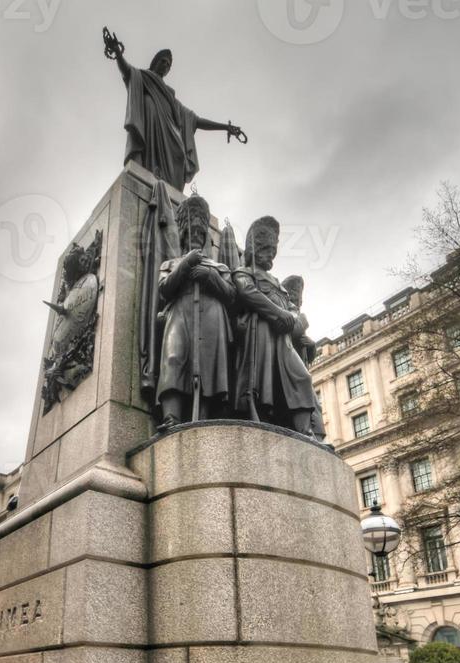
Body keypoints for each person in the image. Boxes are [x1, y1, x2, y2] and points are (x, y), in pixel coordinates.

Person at [103, 31, 245, 191]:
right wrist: (117, 53)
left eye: (169, 65)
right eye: (163, 61)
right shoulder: (143, 77)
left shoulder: (170, 95)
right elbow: (127, 71)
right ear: (155, 62)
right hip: (150, 136)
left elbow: (196, 120)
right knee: (149, 105)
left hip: (171, 141)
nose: (166, 66)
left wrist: (225, 127)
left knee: (179, 158)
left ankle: (170, 194)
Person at [156, 195, 235, 427]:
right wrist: (186, 263)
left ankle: (203, 418)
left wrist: (210, 276)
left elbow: (231, 295)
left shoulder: (218, 267)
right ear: (183, 234)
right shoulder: (170, 264)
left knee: (209, 368)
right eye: (192, 233)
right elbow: (164, 289)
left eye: (201, 234)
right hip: (180, 313)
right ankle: (171, 417)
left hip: (212, 317)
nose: (196, 238)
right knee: (173, 358)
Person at [233, 217, 316, 435]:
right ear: (256, 249)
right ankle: (260, 417)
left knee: (302, 377)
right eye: (267, 249)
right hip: (260, 335)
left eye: (273, 250)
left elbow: (296, 312)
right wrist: (278, 313)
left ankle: (305, 432)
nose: (271, 254)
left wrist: (294, 319)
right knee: (262, 383)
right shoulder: (244, 272)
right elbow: (246, 291)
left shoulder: (278, 282)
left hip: (283, 340)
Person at [282, 275, 326, 442]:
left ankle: (318, 438)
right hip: (286, 363)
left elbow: (308, 356)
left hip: (298, 363)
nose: (297, 298)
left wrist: (311, 345)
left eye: (299, 294)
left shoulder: (297, 313)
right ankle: (308, 433)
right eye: (293, 292)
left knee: (315, 404)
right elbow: (293, 331)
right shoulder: (289, 313)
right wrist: (303, 321)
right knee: (305, 393)